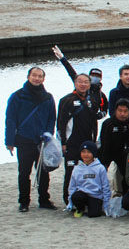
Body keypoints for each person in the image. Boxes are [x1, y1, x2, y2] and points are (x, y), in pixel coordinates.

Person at [6, 67, 57, 212]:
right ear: (28, 77)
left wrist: (48, 135)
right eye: (34, 75)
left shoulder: (48, 97)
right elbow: (10, 120)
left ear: (43, 79)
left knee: (43, 172)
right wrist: (9, 141)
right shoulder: (17, 96)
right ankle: (24, 202)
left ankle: (44, 200)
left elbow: (51, 118)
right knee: (24, 173)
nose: (37, 78)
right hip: (24, 140)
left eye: (40, 76)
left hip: (42, 141)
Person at [57, 72, 100, 205]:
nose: (83, 84)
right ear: (75, 83)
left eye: (86, 82)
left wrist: (94, 140)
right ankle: (68, 200)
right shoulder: (66, 100)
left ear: (89, 84)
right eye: (80, 82)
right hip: (72, 143)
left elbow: (94, 122)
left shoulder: (92, 100)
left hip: (87, 142)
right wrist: (63, 142)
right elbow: (61, 123)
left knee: (87, 172)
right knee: (70, 172)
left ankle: (84, 200)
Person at [67, 141, 112, 218]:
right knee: (76, 196)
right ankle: (80, 208)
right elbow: (72, 186)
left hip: (95, 196)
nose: (86, 155)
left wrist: (106, 204)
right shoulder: (77, 168)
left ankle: (92, 207)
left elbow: (105, 186)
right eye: (83, 152)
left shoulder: (100, 168)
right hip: (82, 194)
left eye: (88, 152)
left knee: (94, 214)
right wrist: (70, 203)